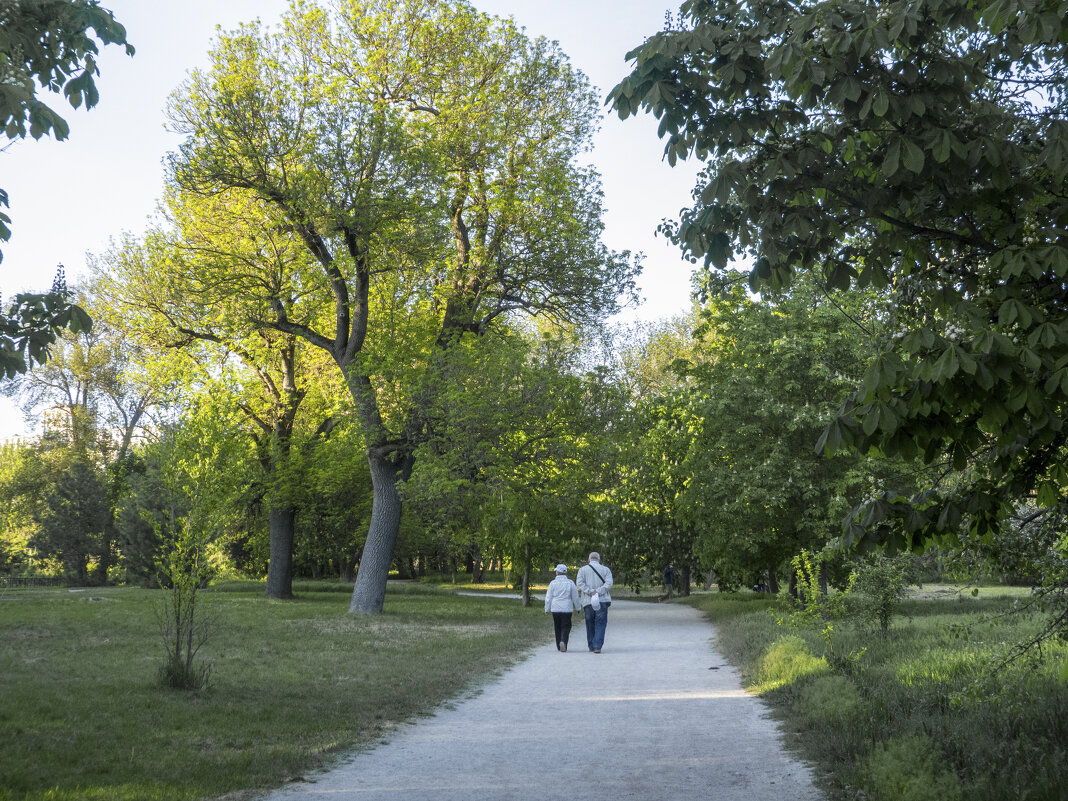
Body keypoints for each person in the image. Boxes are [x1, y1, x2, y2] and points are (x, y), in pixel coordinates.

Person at [576, 552, 613, 653]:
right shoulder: (606, 569)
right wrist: (598, 591)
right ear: (599, 560)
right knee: (600, 623)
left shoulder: (582, 570)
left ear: (589, 560)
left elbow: (579, 583)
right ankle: (597, 646)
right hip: (602, 600)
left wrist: (590, 591)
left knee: (590, 622)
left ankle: (591, 645)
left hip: (588, 601)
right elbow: (609, 583)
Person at [543, 563, 581, 652]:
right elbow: (575, 597)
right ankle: (563, 641)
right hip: (567, 608)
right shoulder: (570, 583)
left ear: (557, 572)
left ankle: (558, 645)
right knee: (566, 626)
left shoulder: (552, 583)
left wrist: (547, 609)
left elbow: (548, 597)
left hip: (555, 608)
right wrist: (578, 607)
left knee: (557, 627)